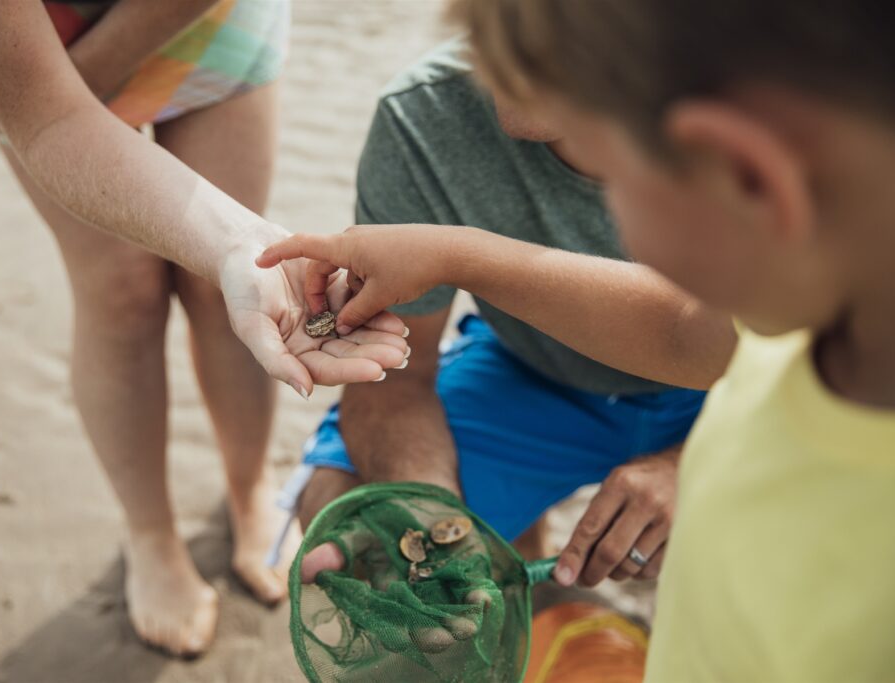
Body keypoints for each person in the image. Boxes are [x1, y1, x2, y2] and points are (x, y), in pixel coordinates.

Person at [268, 0, 895, 678]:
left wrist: (693, 456)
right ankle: (546, 613)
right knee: (358, 507)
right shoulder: (824, 311)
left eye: (613, 178)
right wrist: (440, 536)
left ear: (751, 174)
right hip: (544, 378)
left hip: (717, 410)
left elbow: (687, 331)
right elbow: (693, 330)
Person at [0, 0, 409, 657]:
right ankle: (150, 534)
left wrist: (239, 245)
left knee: (233, 286)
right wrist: (60, 85)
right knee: (120, 294)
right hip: (39, 55)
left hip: (209, 18)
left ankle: (251, 489)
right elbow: (51, 114)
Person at [260, 40, 726, 589]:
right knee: (352, 517)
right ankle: (518, 567)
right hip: (534, 368)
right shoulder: (425, 112)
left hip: (748, 396)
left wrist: (696, 463)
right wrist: (433, 516)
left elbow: (810, 364)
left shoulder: (775, 111)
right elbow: (398, 380)